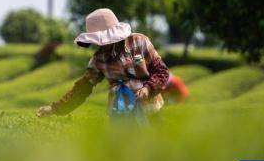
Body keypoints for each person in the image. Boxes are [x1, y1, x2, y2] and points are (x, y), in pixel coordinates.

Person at [36, 8, 170, 121]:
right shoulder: (99, 59)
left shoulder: (139, 42)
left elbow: (161, 71)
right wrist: (54, 108)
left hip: (150, 110)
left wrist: (148, 89)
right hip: (120, 113)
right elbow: (82, 88)